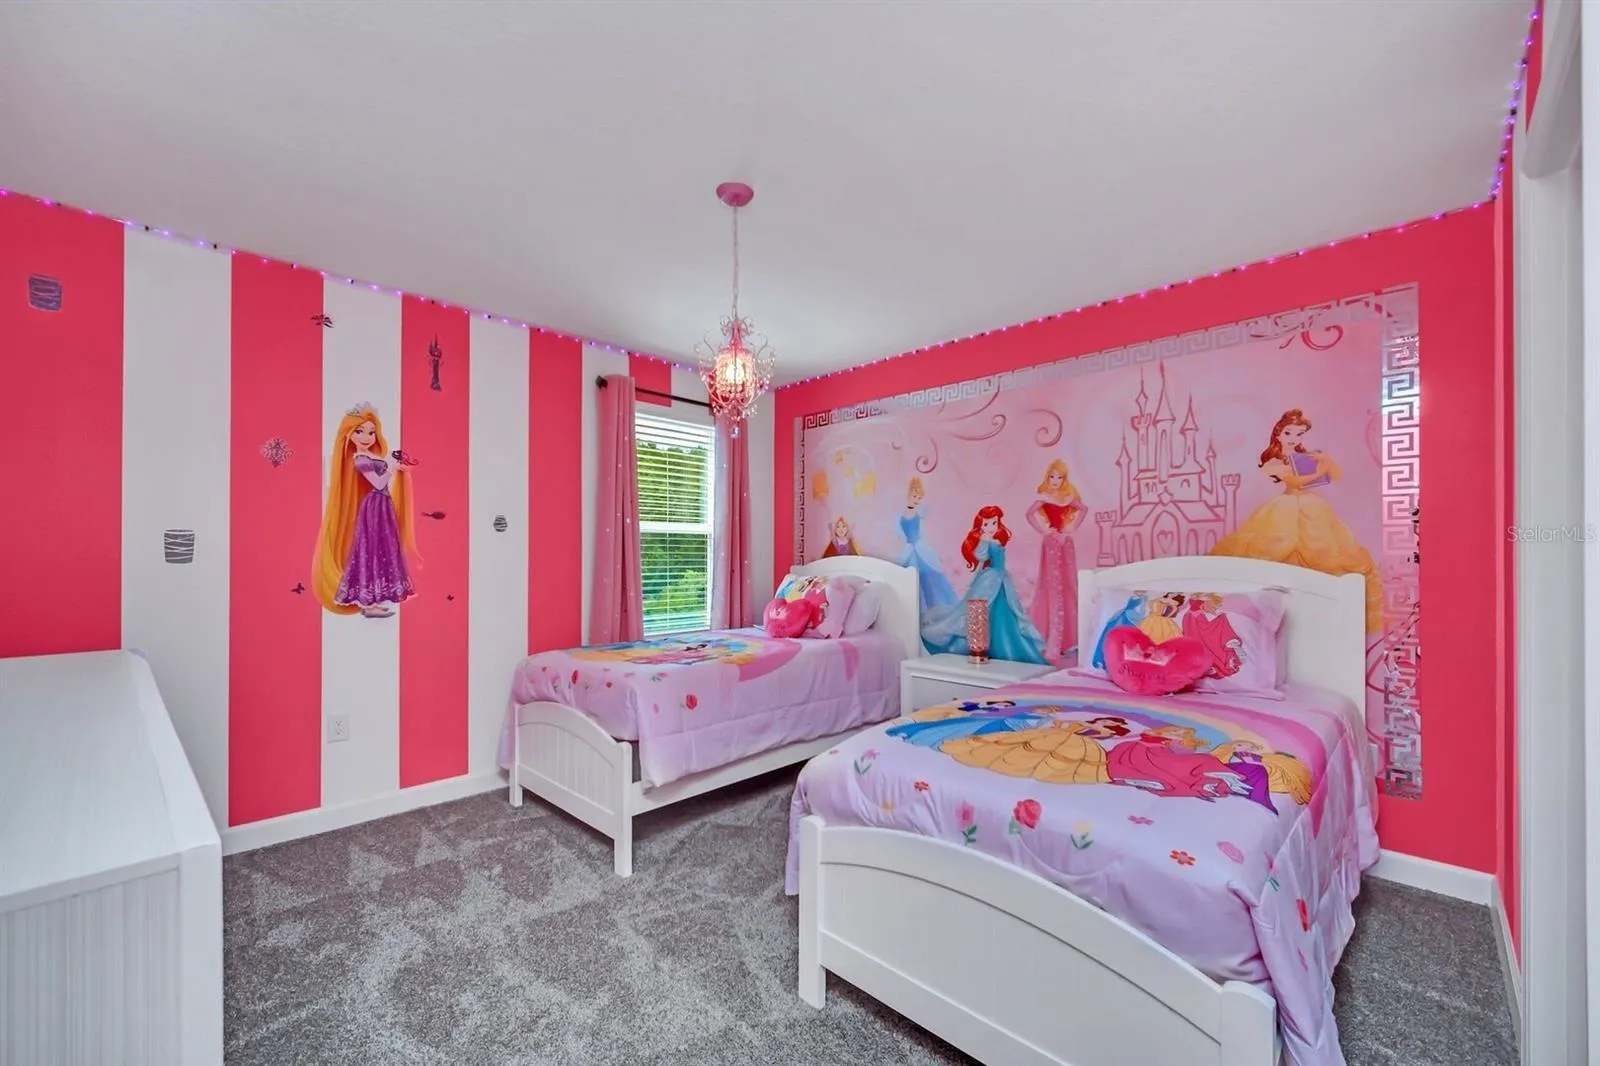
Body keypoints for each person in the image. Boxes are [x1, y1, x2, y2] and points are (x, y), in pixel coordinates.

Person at [312, 404, 418, 618]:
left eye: (371, 432)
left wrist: (395, 465)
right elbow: (378, 483)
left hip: (383, 505)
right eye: (359, 432)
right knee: (371, 550)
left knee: (384, 548)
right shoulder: (359, 458)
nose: (366, 437)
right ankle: (369, 603)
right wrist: (391, 468)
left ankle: (376, 600)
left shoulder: (372, 455)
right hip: (374, 506)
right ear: (349, 435)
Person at [919, 506, 1049, 664]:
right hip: (990, 579)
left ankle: (1006, 645)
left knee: (1006, 610)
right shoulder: (985, 540)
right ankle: (982, 646)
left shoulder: (996, 541)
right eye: (986, 524)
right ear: (980, 526)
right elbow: (980, 556)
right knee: (983, 610)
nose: (991, 527)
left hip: (1002, 578)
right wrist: (984, 541)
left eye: (994, 523)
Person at [1025, 459, 1085, 662]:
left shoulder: (1068, 498)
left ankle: (1069, 639)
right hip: (1051, 541)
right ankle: (1054, 638)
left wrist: (1072, 527)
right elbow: (1029, 514)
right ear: (1048, 478)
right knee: (1053, 585)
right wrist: (1043, 530)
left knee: (1068, 584)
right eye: (1052, 477)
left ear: (1064, 479)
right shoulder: (1045, 497)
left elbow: (1083, 509)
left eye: (1059, 477)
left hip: (1065, 541)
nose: (1055, 481)